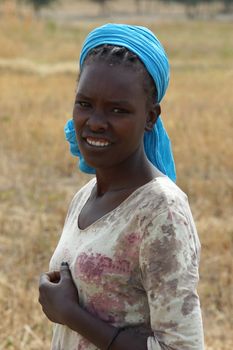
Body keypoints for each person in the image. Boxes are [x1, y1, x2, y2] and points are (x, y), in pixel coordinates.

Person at [38, 23, 205, 350]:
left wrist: (70, 314)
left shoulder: (161, 212)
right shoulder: (86, 196)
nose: (96, 121)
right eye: (85, 104)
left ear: (150, 117)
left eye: (118, 110)